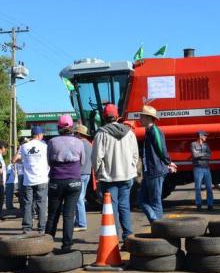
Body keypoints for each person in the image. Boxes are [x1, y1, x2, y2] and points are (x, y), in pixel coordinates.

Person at [91, 103, 139, 245]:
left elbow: (96, 158)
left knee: (112, 209)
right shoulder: (129, 132)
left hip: (109, 177)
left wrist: (98, 172)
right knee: (124, 206)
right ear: (117, 116)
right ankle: (128, 237)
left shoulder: (101, 133)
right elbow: (135, 155)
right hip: (127, 176)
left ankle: (114, 238)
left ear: (104, 117)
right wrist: (131, 168)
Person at [45, 115, 85, 250]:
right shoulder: (79, 142)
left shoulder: (52, 142)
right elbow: (82, 161)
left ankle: (47, 244)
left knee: (53, 215)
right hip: (74, 181)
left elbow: (49, 161)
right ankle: (67, 245)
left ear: (58, 127)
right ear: (72, 127)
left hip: (56, 181)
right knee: (69, 215)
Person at [139, 105, 177, 222]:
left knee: (155, 202)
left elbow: (161, 149)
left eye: (142, 116)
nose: (140, 118)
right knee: (141, 200)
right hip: (149, 171)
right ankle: (156, 222)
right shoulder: (149, 131)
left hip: (155, 171)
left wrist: (168, 162)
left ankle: (159, 227)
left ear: (148, 117)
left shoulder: (154, 131)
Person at [14, 127, 49, 233]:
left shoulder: (24, 146)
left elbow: (17, 160)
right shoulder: (45, 146)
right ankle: (42, 228)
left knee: (27, 204)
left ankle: (27, 228)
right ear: (39, 135)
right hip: (42, 179)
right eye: (42, 134)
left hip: (28, 180)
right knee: (41, 204)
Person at [74, 124, 93, 231]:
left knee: (79, 198)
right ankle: (78, 221)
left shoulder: (78, 144)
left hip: (79, 173)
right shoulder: (90, 145)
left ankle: (81, 223)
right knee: (81, 197)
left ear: (78, 134)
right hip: (87, 173)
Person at [191, 130, 214, 211]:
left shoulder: (206, 145)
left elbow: (210, 155)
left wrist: (200, 155)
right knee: (198, 188)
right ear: (200, 136)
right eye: (205, 135)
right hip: (198, 168)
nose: (206, 137)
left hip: (206, 168)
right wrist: (204, 154)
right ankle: (198, 204)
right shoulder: (193, 144)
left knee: (209, 188)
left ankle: (210, 204)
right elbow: (195, 155)